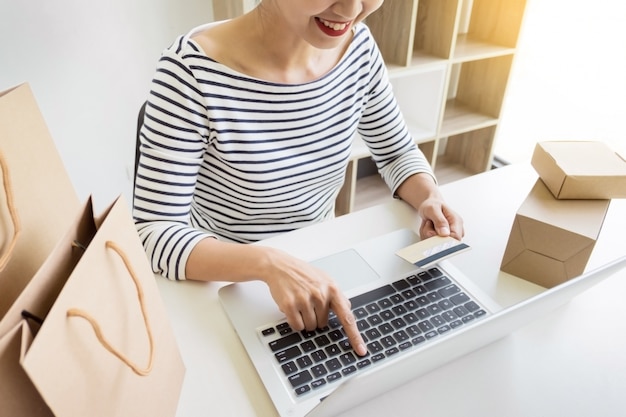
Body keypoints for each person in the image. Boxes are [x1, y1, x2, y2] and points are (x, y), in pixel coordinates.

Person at [133, 0, 464, 357]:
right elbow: (155, 230)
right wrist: (268, 263)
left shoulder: (359, 49)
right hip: (228, 278)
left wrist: (428, 194)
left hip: (324, 260)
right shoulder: (189, 73)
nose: (351, 8)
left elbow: (396, 151)